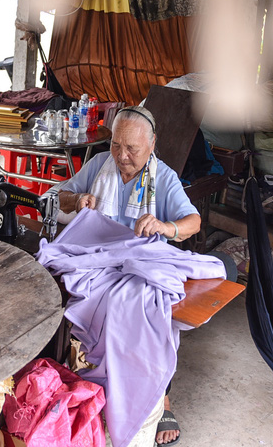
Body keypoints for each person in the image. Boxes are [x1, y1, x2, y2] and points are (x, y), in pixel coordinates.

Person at [57, 105, 197, 446]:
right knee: (70, 288)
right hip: (98, 262)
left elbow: (193, 222)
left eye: (131, 149)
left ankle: (159, 396)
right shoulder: (98, 165)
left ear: (151, 145)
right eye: (116, 145)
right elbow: (60, 196)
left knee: (145, 312)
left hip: (140, 266)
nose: (121, 156)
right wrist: (77, 200)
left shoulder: (163, 178)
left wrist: (165, 226)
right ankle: (91, 382)